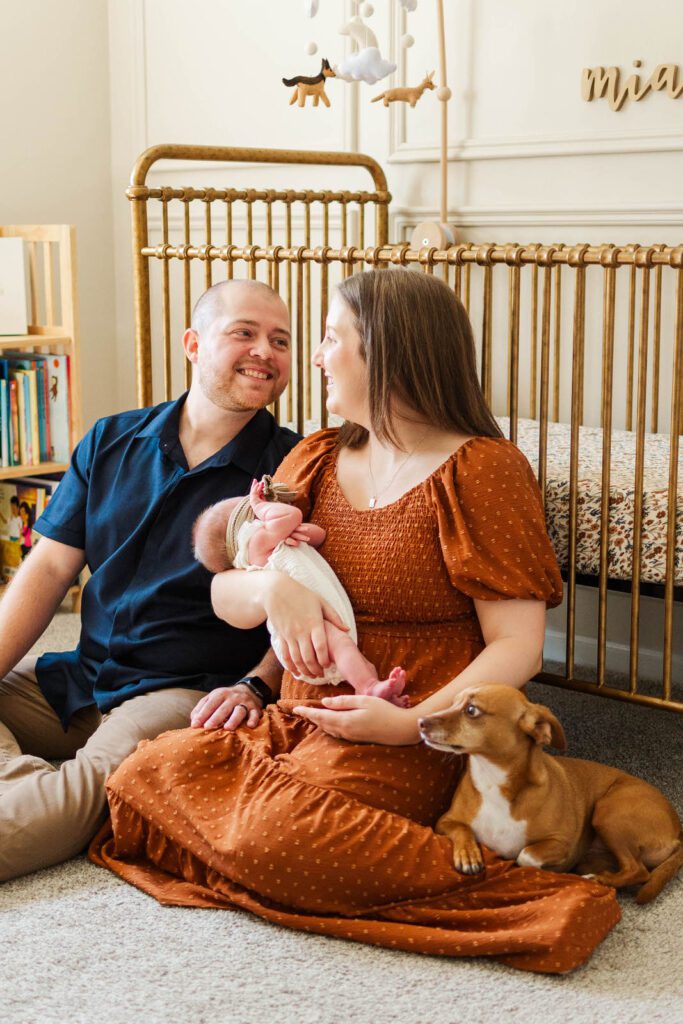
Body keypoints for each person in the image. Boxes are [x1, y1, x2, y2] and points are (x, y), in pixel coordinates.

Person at [90, 270, 620, 974]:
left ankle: (508, 881)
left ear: (388, 351)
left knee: (271, 836)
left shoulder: (481, 471)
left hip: (411, 733)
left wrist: (411, 724)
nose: (312, 355)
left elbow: (516, 644)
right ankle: (298, 852)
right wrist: (271, 598)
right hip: (299, 717)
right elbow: (223, 591)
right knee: (141, 775)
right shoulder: (315, 454)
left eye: (329, 338)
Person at [0, 279, 303, 881]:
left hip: (185, 692)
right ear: (193, 343)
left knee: (81, 797)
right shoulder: (110, 439)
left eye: (281, 340)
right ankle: (28, 784)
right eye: (244, 332)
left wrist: (256, 687)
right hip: (83, 677)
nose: (264, 351)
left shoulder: (295, 468)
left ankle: (52, 797)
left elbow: (306, 601)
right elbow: (50, 569)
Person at [192, 475, 407, 704]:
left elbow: (320, 536)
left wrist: (299, 531)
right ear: (241, 531)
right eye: (249, 508)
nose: (259, 507)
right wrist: (260, 504)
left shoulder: (274, 541)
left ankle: (384, 695)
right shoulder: (255, 546)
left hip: (316, 620)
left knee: (352, 653)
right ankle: (368, 687)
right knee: (342, 645)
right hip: (309, 637)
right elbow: (291, 514)